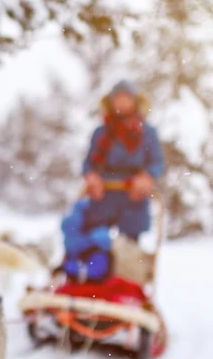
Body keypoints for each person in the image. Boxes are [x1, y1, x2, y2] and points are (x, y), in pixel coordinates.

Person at [61, 80, 164, 281]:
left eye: (126, 98)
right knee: (95, 240)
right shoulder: (101, 133)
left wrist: (145, 177)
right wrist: (92, 178)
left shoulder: (147, 133)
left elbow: (157, 163)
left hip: (133, 197)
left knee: (129, 243)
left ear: (135, 101)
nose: (122, 103)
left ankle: (127, 282)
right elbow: (89, 164)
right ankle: (91, 281)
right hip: (103, 195)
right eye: (118, 98)